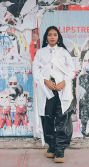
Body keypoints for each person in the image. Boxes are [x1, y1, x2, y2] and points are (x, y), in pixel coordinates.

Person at [33, 26, 75, 163]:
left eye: (55, 35)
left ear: (58, 37)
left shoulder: (63, 52)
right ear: (46, 37)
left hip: (61, 89)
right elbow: (35, 71)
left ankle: (60, 149)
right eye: (50, 35)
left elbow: (72, 70)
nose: (52, 37)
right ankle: (51, 146)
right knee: (47, 118)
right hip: (46, 90)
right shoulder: (40, 52)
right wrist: (45, 81)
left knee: (62, 118)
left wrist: (64, 82)